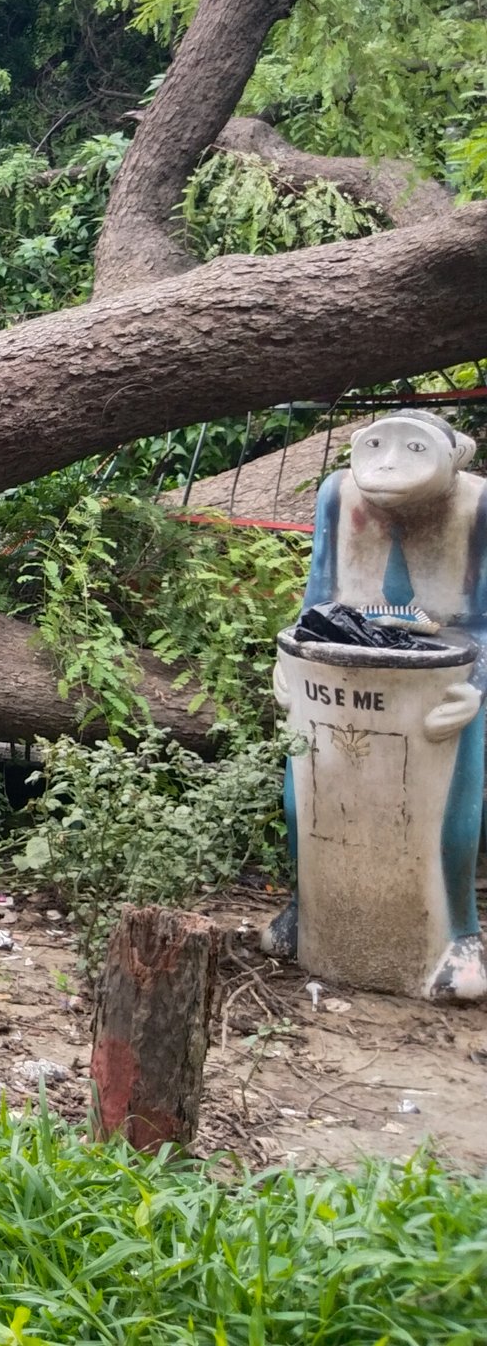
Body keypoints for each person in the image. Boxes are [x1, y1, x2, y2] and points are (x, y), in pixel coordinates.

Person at [262, 410, 487, 999]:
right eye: (376, 447)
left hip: (442, 679)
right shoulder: (337, 497)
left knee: (446, 811)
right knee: (303, 801)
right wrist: (287, 664)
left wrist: (478, 684)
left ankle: (457, 933)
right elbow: (317, 600)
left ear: (452, 459)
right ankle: (308, 911)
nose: (388, 466)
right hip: (337, 669)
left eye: (411, 450)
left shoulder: (478, 508)